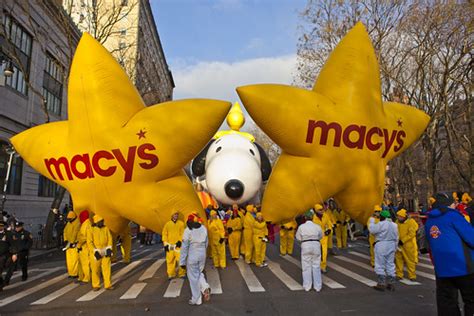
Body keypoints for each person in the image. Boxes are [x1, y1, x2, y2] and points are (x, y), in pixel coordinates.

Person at [425, 192, 474, 316]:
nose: (455, 205)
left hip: (442, 270)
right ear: (447, 204)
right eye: (454, 203)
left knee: (447, 303)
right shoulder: (453, 216)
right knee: (471, 300)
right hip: (463, 266)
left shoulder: (429, 220)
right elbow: (471, 238)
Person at [179, 213, 211, 306]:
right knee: (199, 273)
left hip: (193, 253)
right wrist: (204, 253)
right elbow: (206, 242)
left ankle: (197, 299)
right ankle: (205, 287)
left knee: (193, 277)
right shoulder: (203, 228)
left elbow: (184, 247)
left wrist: (182, 261)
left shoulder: (188, 230)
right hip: (202, 253)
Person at [368, 209, 398, 291]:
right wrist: (395, 246)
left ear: (382, 217)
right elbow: (397, 237)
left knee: (380, 264)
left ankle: (381, 284)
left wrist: (371, 222)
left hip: (381, 244)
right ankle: (391, 284)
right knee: (390, 264)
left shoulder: (380, 224)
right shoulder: (394, 225)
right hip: (391, 244)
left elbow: (372, 231)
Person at [296, 209, 323, 292]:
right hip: (316, 245)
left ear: (305, 217)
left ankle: (307, 286)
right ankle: (317, 286)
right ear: (312, 217)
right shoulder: (317, 226)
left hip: (305, 245)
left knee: (306, 266)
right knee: (316, 266)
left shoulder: (301, 227)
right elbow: (321, 236)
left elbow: (298, 238)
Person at [88, 214, 114, 291]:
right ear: (97, 222)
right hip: (96, 252)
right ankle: (96, 285)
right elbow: (89, 242)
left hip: (105, 250)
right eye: (101, 221)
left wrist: (109, 248)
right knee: (95, 270)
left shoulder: (106, 228)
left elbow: (110, 238)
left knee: (107, 268)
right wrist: (94, 251)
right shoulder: (91, 230)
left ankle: (108, 285)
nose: (103, 222)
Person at [395, 209, 419, 281]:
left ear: (404, 217)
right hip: (399, 244)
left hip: (408, 245)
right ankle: (399, 274)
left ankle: (412, 276)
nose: (398, 218)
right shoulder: (397, 222)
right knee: (398, 260)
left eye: (400, 216)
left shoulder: (411, 222)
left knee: (410, 261)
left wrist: (403, 240)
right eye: (398, 216)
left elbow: (412, 233)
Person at [162, 211, 186, 280]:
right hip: (170, 246)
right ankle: (171, 274)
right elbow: (164, 234)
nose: (176, 216)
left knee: (181, 260)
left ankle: (182, 273)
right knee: (170, 260)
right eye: (175, 214)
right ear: (172, 215)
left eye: (177, 215)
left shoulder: (181, 224)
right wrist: (165, 244)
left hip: (178, 245)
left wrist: (180, 241)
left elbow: (183, 233)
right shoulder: (167, 224)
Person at [312, 204, 332, 273]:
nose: (322, 211)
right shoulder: (313, 217)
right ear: (316, 210)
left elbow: (329, 224)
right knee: (316, 253)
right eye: (320, 210)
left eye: (322, 209)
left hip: (324, 236)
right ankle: (316, 267)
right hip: (316, 237)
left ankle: (323, 266)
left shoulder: (326, 215)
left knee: (324, 252)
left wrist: (329, 230)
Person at [63, 211, 80, 279]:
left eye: (70, 219)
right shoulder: (68, 223)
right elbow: (65, 231)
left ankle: (75, 273)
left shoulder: (77, 223)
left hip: (74, 244)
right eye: (68, 219)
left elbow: (75, 233)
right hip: (68, 244)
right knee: (69, 260)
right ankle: (71, 273)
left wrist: (72, 242)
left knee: (75, 260)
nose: (69, 220)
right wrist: (65, 240)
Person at [77, 210, 92, 284]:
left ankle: (86, 278)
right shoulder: (88, 224)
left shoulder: (85, 225)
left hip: (84, 247)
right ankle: (83, 277)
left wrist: (79, 245)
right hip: (86, 247)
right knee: (85, 263)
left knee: (85, 263)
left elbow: (83, 237)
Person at [0, 221, 13, 290]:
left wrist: (14, 254)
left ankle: (2, 284)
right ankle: (1, 283)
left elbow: (13, 244)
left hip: (4, 255)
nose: (0, 227)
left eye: (1, 226)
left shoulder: (8, 234)